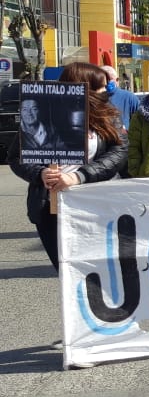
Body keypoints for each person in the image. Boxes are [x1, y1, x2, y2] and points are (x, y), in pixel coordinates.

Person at [11, 62, 127, 271]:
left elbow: (119, 152)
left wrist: (80, 176)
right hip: (51, 207)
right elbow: (17, 156)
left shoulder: (108, 115)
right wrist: (41, 173)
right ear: (81, 88)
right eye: (100, 88)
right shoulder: (45, 114)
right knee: (68, 272)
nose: (105, 93)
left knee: (101, 269)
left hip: (98, 203)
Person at [100, 65, 139, 135]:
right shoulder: (95, 98)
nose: (107, 82)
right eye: (104, 79)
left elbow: (140, 121)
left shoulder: (129, 97)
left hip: (123, 141)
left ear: (117, 80)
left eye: (110, 79)